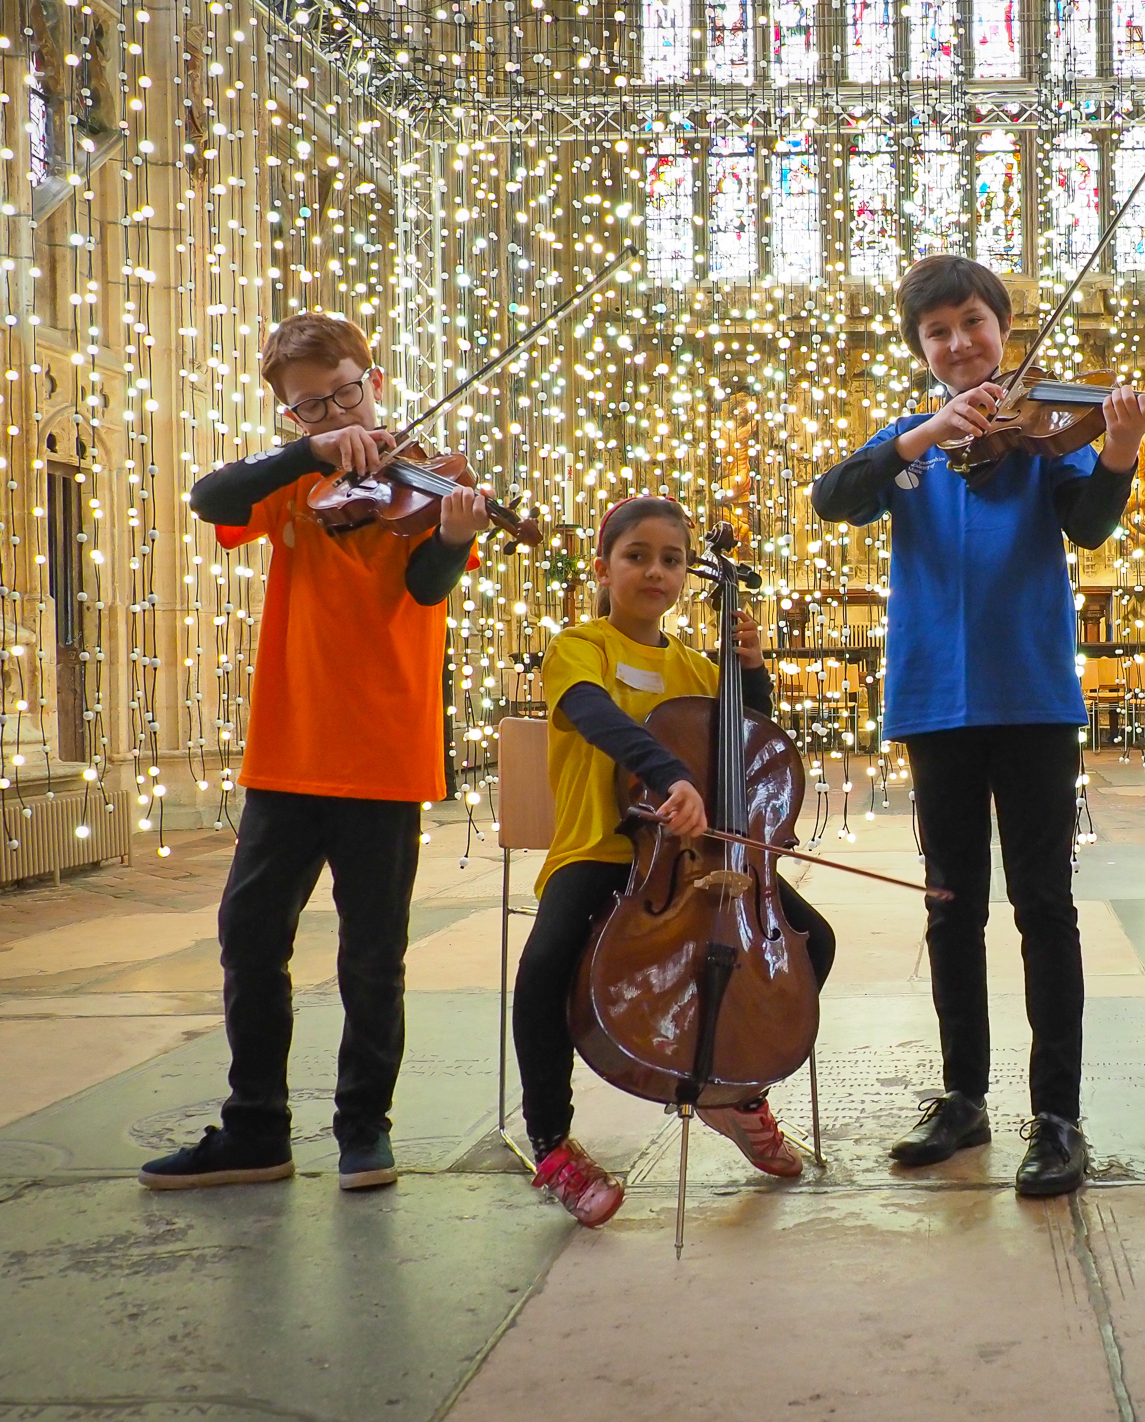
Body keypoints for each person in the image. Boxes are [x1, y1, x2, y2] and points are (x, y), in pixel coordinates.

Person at [810, 254, 1145, 1198]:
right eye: (938, 332)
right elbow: (832, 497)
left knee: (1045, 907)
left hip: (1034, 697)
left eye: (973, 322)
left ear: (1003, 327)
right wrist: (921, 436)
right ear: (921, 349)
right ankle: (963, 1099)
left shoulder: (1047, 430)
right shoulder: (907, 443)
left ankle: (1058, 1115)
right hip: (934, 700)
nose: (959, 343)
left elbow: (1089, 527)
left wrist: (1117, 451)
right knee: (950, 907)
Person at [140, 313, 490, 1192]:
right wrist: (313, 454)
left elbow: (424, 587)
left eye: (346, 393)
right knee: (249, 937)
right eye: (310, 408)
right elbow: (210, 498)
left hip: (385, 751)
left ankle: (363, 1130)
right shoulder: (292, 481)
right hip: (289, 753)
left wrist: (452, 539)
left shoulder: (434, 478)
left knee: (374, 955)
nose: (335, 412)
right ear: (290, 417)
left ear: (374, 378)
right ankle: (256, 1128)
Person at [515, 497, 838, 1228]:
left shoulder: (697, 664)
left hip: (694, 862)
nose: (655, 571)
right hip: (602, 849)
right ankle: (552, 1144)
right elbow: (597, 718)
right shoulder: (580, 646)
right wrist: (669, 776)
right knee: (544, 967)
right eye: (637, 556)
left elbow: (749, 755)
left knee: (809, 942)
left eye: (671, 559)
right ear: (604, 567)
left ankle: (735, 1088)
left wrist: (750, 676)